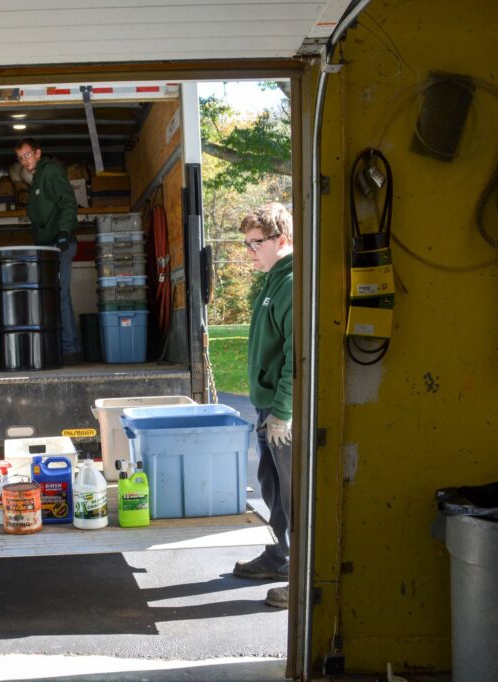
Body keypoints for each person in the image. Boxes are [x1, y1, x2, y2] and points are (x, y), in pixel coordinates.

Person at [232, 203, 294, 610]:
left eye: (256, 243)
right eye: (247, 244)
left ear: (282, 240)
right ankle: (280, 557)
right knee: (273, 489)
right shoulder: (272, 281)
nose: (249, 252)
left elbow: (297, 354)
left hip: (281, 414)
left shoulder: (292, 285)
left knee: (296, 496)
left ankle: (305, 579)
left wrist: (283, 412)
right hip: (266, 409)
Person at [15, 137, 82, 364]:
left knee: (61, 296)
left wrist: (63, 232)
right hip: (49, 248)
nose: (24, 161)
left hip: (60, 244)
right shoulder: (36, 180)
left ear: (38, 153)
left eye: (27, 155)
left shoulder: (50, 172)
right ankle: (67, 347)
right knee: (57, 296)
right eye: (20, 158)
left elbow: (68, 202)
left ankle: (69, 349)